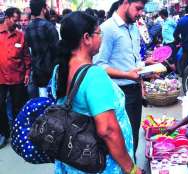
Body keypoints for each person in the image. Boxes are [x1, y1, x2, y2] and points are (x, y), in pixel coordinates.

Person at [53, 11, 142, 174]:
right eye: (98, 33)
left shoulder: (60, 69)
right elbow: (107, 129)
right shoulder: (94, 76)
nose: (101, 37)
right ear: (86, 38)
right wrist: (131, 168)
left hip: (74, 158)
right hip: (100, 162)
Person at [93, 0, 148, 156]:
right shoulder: (108, 29)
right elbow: (99, 65)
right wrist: (127, 75)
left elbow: (133, 60)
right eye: (138, 8)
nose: (140, 13)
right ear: (125, 3)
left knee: (134, 135)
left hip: (134, 90)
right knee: (121, 139)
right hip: (118, 92)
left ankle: (133, 166)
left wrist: (146, 67)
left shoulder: (133, 28)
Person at [0, 7, 30, 148]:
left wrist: (27, 73)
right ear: (7, 17)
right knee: (0, 106)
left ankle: (17, 134)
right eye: (15, 20)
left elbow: (26, 57)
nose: (17, 23)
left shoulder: (20, 36)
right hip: (0, 78)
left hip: (17, 77)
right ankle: (4, 133)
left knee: (18, 107)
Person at [25, 0, 59, 98]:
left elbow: (30, 50)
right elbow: (56, 51)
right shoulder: (49, 27)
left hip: (36, 72)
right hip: (50, 73)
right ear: (43, 9)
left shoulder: (28, 28)